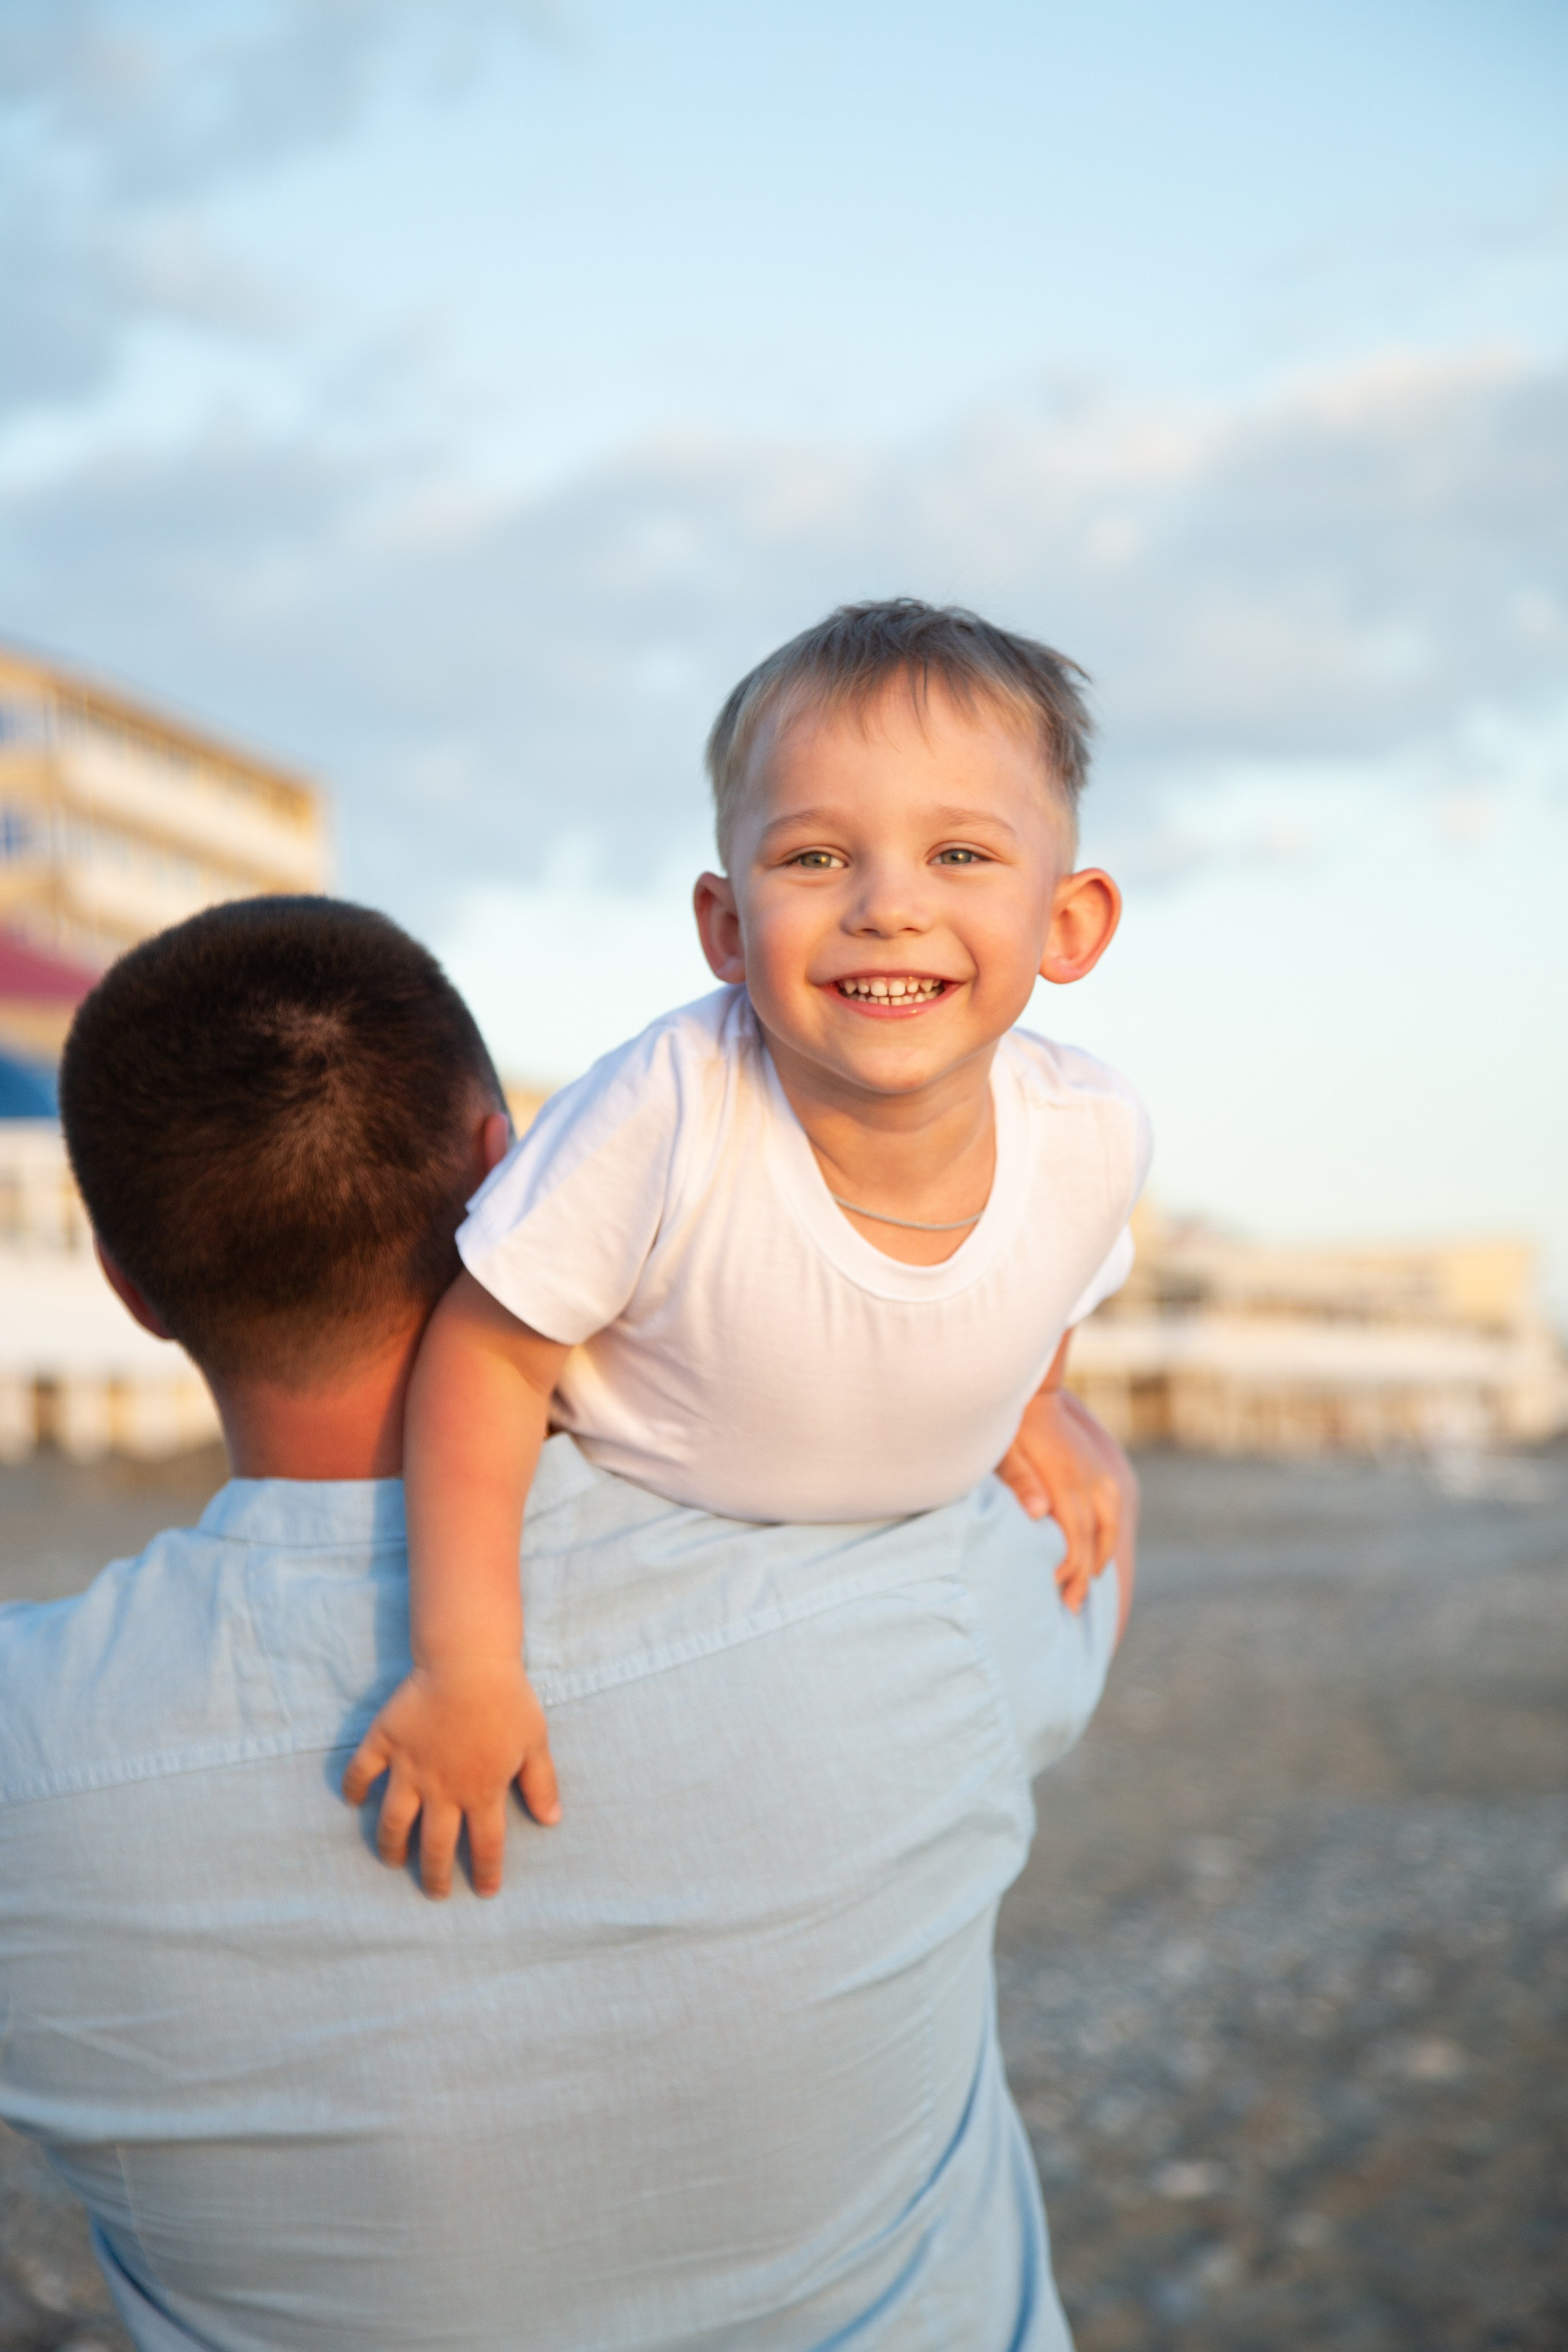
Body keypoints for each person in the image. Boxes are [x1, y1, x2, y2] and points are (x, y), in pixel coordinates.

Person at [0, 894, 1133, 2351]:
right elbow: (1084, 1543)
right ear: (508, 1166)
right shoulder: (909, 1570)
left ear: (130, 1288)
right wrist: (1049, 1423)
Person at [349, 599, 1150, 1901]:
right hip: (633, 1524)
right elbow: (486, 1356)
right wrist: (469, 1665)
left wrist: (1038, 1400)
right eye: (815, 859)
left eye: (957, 854)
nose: (888, 907)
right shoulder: (667, 1107)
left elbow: (1056, 1272)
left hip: (879, 1573)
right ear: (725, 928)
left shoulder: (1090, 1133)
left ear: (1068, 924)